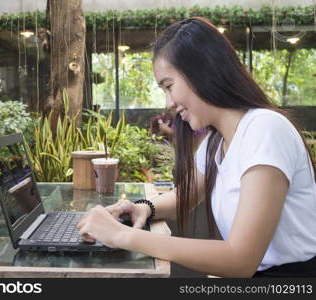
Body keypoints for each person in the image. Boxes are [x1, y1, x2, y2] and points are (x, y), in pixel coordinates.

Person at [77, 17, 316, 278]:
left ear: (204, 71)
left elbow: (241, 260)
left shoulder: (265, 129)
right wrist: (143, 207)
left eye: (169, 86)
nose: (168, 102)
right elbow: (187, 194)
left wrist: (123, 236)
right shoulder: (216, 140)